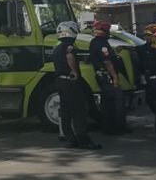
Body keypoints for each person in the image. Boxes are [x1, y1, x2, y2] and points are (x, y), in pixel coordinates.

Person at [53, 21, 100, 150]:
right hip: (70, 82)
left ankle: (70, 139)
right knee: (79, 111)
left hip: (60, 82)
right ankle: (83, 140)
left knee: (65, 111)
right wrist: (74, 71)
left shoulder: (56, 47)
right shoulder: (69, 46)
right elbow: (69, 56)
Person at [88, 20, 128, 134]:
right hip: (107, 75)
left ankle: (108, 127)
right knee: (116, 101)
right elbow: (107, 61)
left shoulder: (95, 42)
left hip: (102, 75)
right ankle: (117, 127)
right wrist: (114, 77)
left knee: (107, 102)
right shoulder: (101, 43)